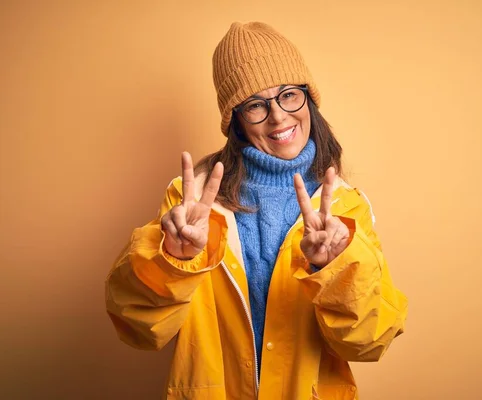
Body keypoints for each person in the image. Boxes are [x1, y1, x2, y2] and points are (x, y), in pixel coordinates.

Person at [105, 21, 408, 400]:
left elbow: (368, 342)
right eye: (256, 105)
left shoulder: (346, 207)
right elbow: (137, 327)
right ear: (236, 120)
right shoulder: (192, 203)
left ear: (308, 99)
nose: (278, 116)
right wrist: (173, 260)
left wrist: (336, 268)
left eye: (288, 95)